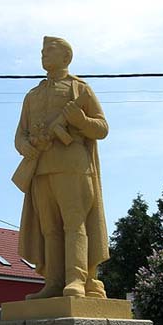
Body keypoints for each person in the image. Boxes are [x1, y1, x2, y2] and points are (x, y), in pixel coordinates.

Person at [14, 36, 109, 299]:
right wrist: (27, 146)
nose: (44, 54)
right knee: (49, 230)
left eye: (50, 50)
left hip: (73, 167)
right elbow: (19, 135)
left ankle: (76, 280)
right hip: (41, 169)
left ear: (66, 57)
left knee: (74, 224)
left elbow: (102, 128)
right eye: (42, 51)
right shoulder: (32, 95)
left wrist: (80, 120)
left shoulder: (80, 90)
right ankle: (54, 283)